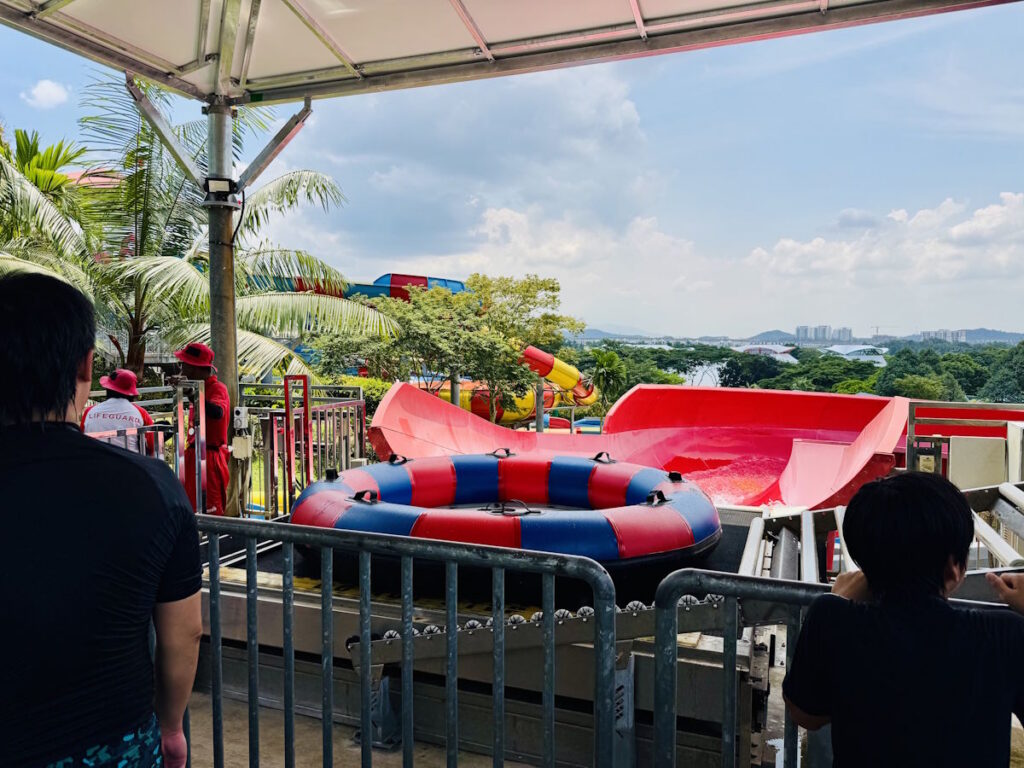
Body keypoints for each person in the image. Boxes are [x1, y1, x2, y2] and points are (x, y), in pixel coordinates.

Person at [0, 273, 202, 768]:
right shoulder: (154, 488)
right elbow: (184, 632)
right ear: (87, 365)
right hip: (111, 744)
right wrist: (171, 727)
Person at [783, 471, 1024, 767]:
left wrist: (838, 600)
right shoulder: (1003, 635)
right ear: (953, 569)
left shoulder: (833, 620)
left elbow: (805, 713)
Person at [173, 341, 231, 516]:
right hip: (193, 455)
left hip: (210, 458)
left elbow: (217, 412)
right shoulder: (198, 387)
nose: (181, 369)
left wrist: (193, 395)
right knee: (191, 507)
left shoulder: (217, 388)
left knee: (211, 509)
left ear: (196, 368)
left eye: (184, 365)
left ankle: (212, 543)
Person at [81, 368, 155, 454]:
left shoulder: (89, 411)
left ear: (108, 389)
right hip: (129, 464)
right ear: (132, 393)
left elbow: (82, 439)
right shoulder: (141, 413)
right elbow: (152, 444)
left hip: (94, 463)